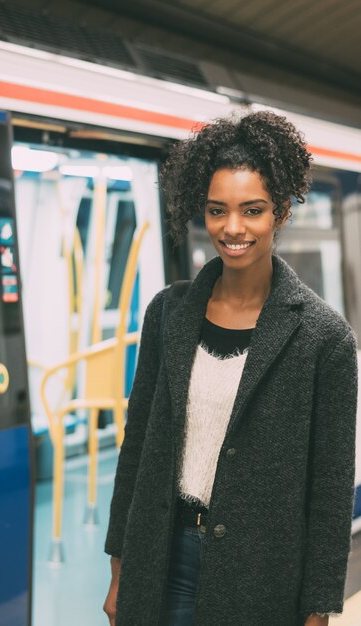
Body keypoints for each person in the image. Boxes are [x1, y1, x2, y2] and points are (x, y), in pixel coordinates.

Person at [103, 111, 358, 626]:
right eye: (218, 211)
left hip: (261, 574)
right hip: (162, 558)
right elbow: (138, 448)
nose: (232, 228)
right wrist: (119, 568)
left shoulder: (325, 338)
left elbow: (331, 488)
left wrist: (318, 609)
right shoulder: (168, 313)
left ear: (281, 212)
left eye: (252, 210)